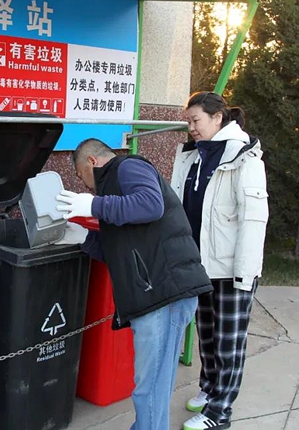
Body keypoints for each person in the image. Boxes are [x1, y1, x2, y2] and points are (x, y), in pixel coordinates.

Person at [55, 139, 213, 430]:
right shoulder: (113, 196)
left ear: (91, 161)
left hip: (164, 293)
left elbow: (151, 205)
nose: (84, 185)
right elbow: (120, 250)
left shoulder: (128, 167)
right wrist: (83, 237)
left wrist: (93, 204)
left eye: (80, 176)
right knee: (154, 385)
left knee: (149, 387)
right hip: (157, 294)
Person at [171, 92, 269, 430]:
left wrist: (245, 274)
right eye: (188, 121)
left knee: (229, 343)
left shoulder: (244, 158)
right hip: (201, 265)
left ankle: (219, 412)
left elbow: (253, 220)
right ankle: (209, 389)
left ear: (217, 118)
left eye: (196, 120)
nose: (191, 127)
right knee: (208, 336)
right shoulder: (193, 157)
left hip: (231, 269)